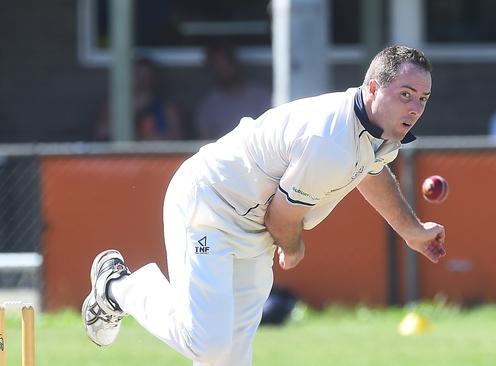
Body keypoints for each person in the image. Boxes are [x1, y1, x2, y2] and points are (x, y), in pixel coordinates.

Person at [81, 45, 446, 366]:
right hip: (211, 206)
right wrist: (294, 247)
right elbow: (282, 218)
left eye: (424, 99)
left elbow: (371, 172)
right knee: (208, 344)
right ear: (372, 88)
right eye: (406, 94)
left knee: (229, 359)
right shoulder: (330, 140)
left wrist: (413, 231)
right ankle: (118, 287)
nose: (415, 108)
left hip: (253, 227)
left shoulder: (379, 132)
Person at [194, 43, 271, 140]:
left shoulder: (260, 96)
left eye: (225, 62)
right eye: (217, 65)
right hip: (223, 153)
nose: (223, 69)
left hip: (258, 152)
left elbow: (271, 132)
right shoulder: (209, 102)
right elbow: (204, 138)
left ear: (235, 63)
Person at [94, 58, 184, 141]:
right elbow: (100, 134)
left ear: (154, 77)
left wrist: (148, 137)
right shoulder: (113, 106)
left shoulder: (167, 108)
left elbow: (177, 140)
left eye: (146, 74)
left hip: (155, 157)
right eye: (138, 74)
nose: (141, 78)